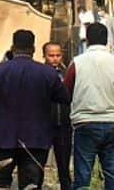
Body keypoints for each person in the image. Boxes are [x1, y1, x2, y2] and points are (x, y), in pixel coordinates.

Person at [0, 30, 70, 189]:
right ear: (34, 49)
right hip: (35, 140)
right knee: (30, 185)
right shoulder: (48, 73)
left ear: (13, 47)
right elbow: (65, 97)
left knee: (1, 184)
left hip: (4, 139)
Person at [64, 22, 114, 190]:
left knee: (83, 177)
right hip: (112, 126)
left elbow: (66, 94)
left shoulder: (76, 63)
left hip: (85, 125)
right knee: (112, 175)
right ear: (107, 39)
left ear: (87, 39)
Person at [43, 42, 72, 190]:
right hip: (44, 125)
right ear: (44, 56)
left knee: (64, 168)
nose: (55, 58)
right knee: (38, 167)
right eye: (51, 55)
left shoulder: (68, 74)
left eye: (58, 55)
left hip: (64, 126)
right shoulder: (40, 74)